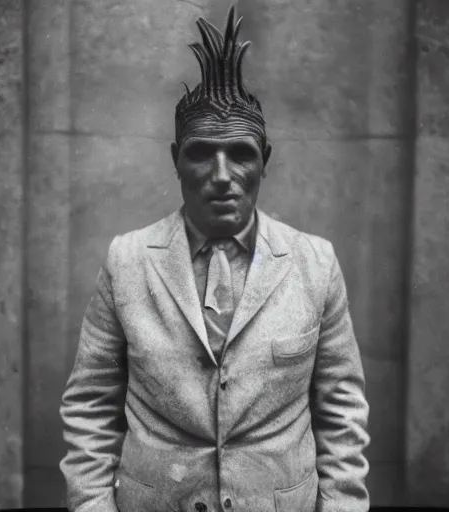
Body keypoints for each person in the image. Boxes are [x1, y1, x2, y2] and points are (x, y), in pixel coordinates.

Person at [60, 6, 370, 512]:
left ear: (264, 161)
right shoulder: (128, 260)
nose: (222, 174)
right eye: (201, 152)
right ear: (175, 158)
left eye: (241, 154)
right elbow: (89, 406)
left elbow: (342, 412)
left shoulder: (315, 263)